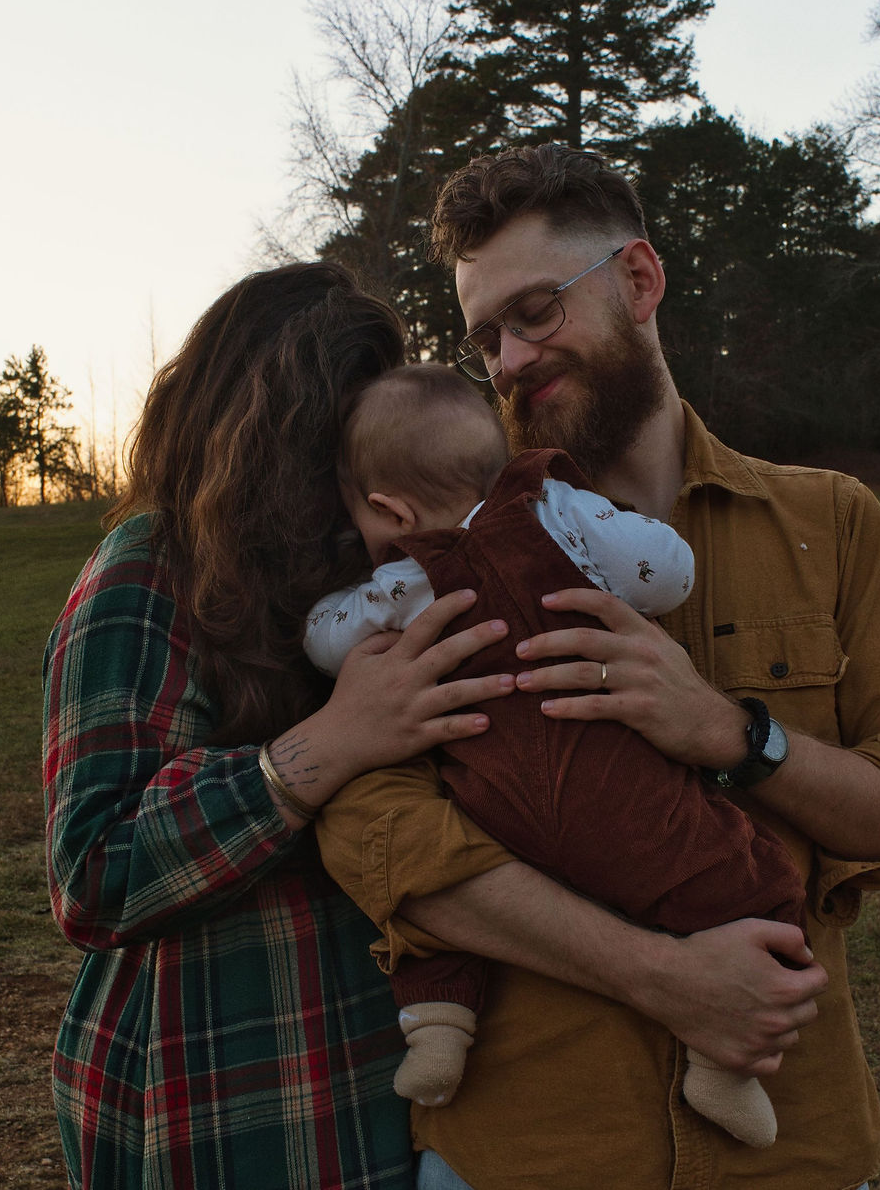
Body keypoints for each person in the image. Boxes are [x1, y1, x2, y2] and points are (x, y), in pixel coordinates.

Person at [315, 145, 880, 1190]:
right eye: (485, 339)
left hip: (793, 1154)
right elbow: (374, 829)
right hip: (529, 1153)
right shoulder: (441, 557)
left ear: (637, 279)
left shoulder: (831, 523)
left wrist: (732, 734)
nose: (509, 359)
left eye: (535, 311)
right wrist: (663, 975)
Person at [42, 263, 523, 1190]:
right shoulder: (148, 569)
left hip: (386, 1094)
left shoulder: (359, 580)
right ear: (262, 441)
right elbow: (93, 872)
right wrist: (331, 744)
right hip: (231, 1102)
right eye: (331, 452)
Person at [305, 361, 808, 1149]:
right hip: (614, 791)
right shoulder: (558, 509)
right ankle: (724, 1062)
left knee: (429, 880)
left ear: (389, 510)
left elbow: (328, 639)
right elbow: (671, 572)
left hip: (491, 800)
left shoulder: (404, 582)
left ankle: (439, 1020)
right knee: (756, 879)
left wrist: (336, 621)